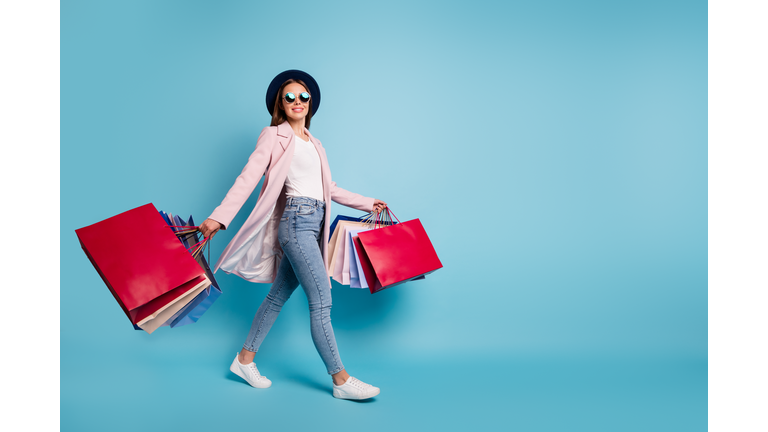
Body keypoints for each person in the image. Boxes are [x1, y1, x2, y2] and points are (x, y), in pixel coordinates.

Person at [198, 70, 386, 400]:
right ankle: (341, 380)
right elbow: (248, 179)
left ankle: (244, 359)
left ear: (311, 102)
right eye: (289, 97)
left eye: (303, 97)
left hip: (316, 226)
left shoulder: (316, 144)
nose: (297, 102)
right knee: (322, 302)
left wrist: (368, 203)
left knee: (276, 297)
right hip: (296, 224)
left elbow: (329, 188)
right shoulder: (273, 136)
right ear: (280, 104)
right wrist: (218, 217)